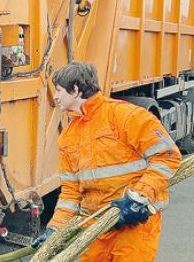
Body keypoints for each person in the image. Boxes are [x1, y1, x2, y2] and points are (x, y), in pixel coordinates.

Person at [31, 62, 181, 261]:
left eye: (58, 90)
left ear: (75, 90)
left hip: (133, 226)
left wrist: (137, 198)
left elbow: (167, 156)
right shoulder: (68, 136)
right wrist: (55, 230)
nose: (55, 96)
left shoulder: (125, 116)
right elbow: (70, 193)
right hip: (95, 228)